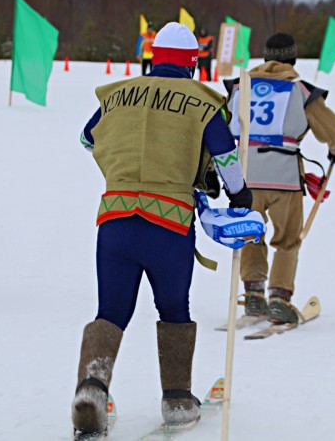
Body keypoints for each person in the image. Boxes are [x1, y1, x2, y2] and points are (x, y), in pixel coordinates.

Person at [72, 22, 252, 438]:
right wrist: (240, 196)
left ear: (154, 58)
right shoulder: (203, 102)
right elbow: (225, 156)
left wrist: (119, 169)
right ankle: (176, 402)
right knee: (173, 310)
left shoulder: (117, 96)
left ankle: (92, 390)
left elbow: (87, 139)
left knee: (111, 312)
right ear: (192, 64)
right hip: (168, 223)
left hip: (114, 219)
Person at [228, 33, 335, 324]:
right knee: (287, 240)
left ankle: (254, 295)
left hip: (244, 177)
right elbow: (332, 132)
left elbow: (221, 124)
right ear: (292, 59)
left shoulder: (240, 87)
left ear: (266, 57)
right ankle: (279, 298)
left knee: (249, 233)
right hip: (283, 178)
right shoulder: (300, 90)